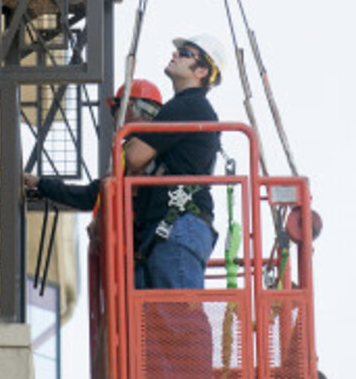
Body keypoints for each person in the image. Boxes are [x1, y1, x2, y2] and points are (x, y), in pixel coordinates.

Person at [124, 33, 225, 290]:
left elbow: (133, 156)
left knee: (180, 324)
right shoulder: (185, 107)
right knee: (168, 324)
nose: (175, 55)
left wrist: (131, 141)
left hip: (177, 226)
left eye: (185, 53)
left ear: (202, 70)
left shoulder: (189, 106)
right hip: (171, 228)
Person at [23, 79, 163, 211]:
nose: (113, 118)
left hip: (137, 232)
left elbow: (89, 196)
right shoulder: (160, 145)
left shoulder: (135, 152)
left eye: (114, 109)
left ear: (129, 107)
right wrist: (41, 184)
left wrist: (40, 183)